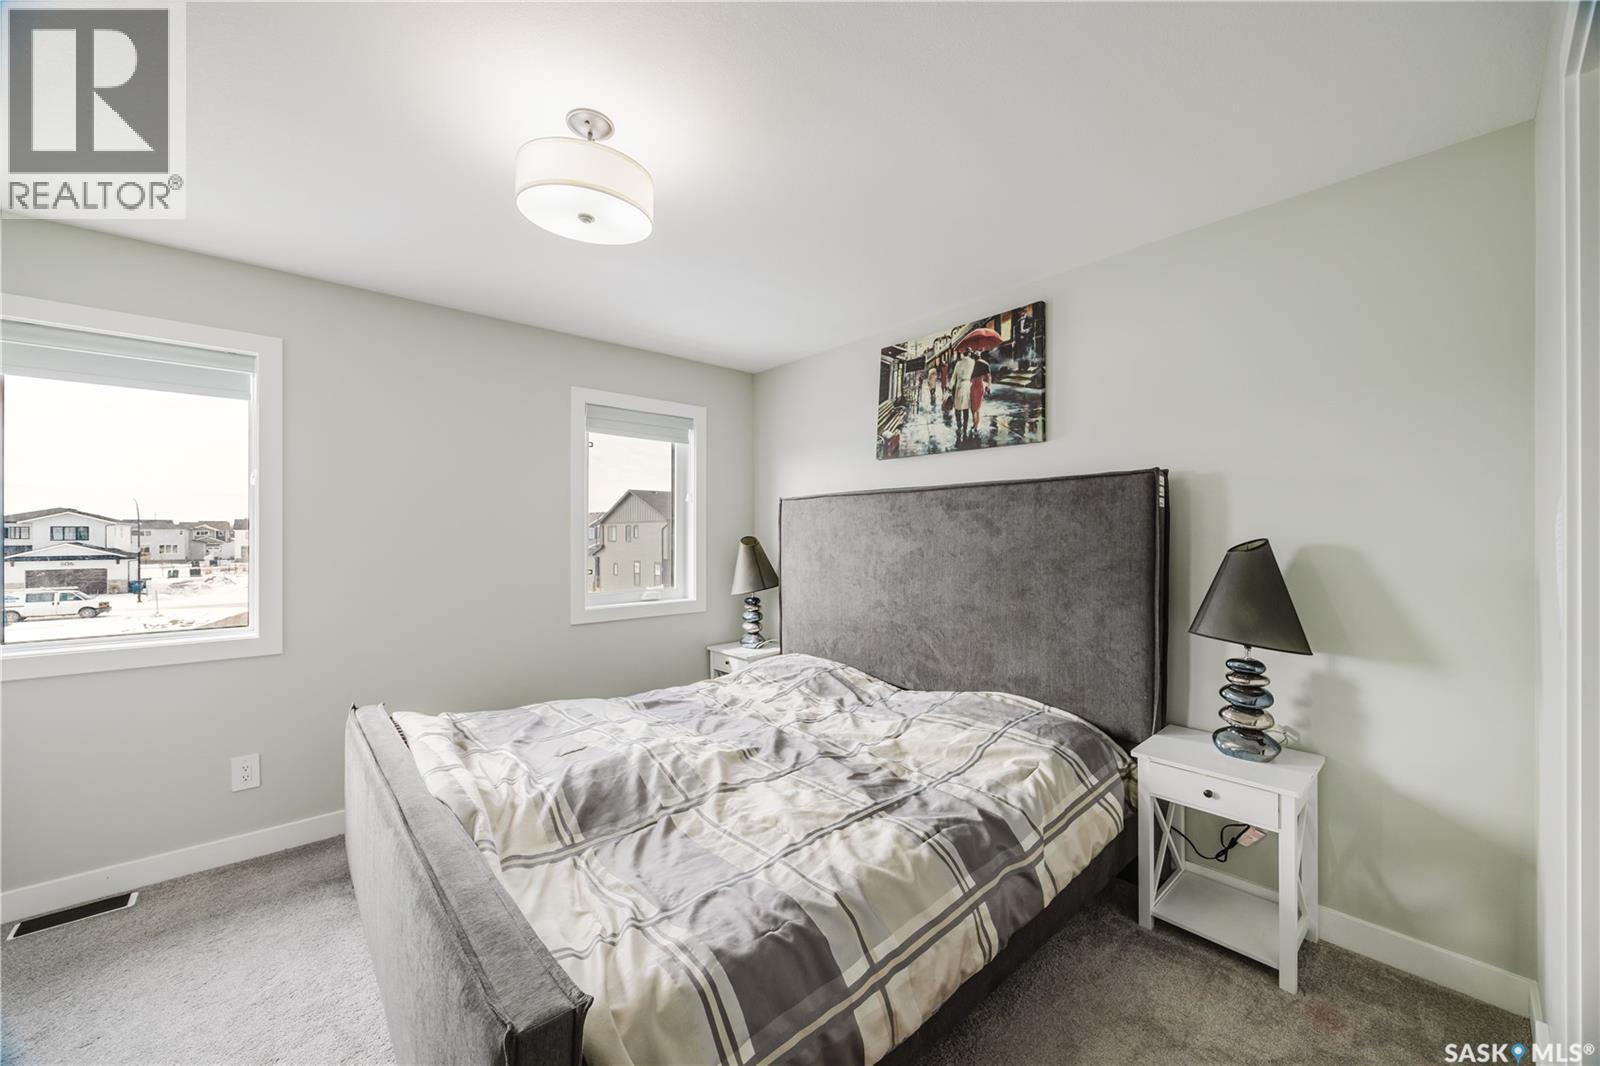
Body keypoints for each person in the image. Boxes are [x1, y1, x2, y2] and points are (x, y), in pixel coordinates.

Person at [950, 350, 975, 441]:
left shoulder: (958, 363)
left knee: (958, 407)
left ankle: (959, 425)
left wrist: (950, 387)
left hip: (959, 386)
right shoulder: (972, 362)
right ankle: (965, 426)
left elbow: (954, 377)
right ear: (969, 353)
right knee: (966, 407)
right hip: (968, 385)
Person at [969, 355, 992, 438]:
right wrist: (989, 386)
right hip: (979, 386)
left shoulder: (971, 364)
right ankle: (975, 425)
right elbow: (989, 376)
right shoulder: (984, 364)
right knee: (977, 408)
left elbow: (969, 378)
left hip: (973, 386)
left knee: (973, 407)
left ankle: (975, 424)